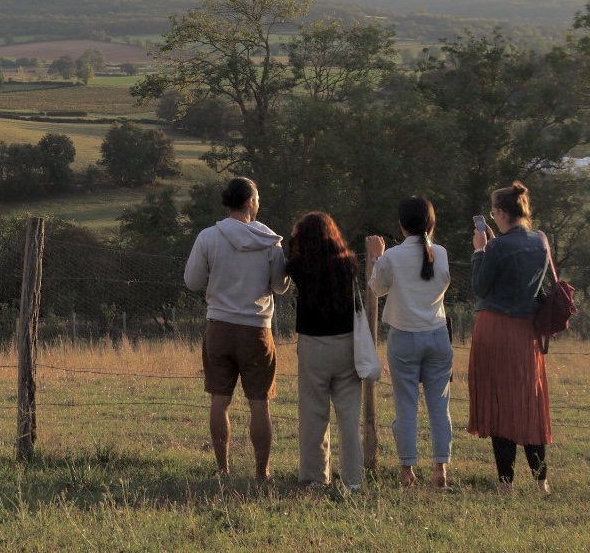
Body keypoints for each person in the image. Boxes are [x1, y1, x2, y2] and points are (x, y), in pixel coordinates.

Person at [184, 177, 290, 481]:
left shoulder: (208, 237)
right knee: (259, 401)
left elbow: (192, 281)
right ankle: (262, 472)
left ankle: (223, 469)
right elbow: (280, 287)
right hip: (256, 329)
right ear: (251, 202)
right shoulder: (271, 242)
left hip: (219, 326)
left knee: (220, 398)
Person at [468, 181, 553, 494]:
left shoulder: (497, 247)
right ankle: (541, 481)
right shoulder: (540, 240)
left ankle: (505, 483)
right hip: (527, 331)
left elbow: (480, 286)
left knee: (499, 404)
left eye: (493, 211)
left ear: (501, 212)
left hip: (496, 328)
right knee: (530, 403)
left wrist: (480, 250)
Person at [366, 196, 453, 489]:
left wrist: (378, 257)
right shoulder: (440, 253)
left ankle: (407, 471)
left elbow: (377, 289)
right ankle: (440, 467)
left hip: (404, 337)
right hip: (438, 335)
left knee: (406, 405)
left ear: (401, 225)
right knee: (439, 406)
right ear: (431, 223)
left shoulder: (392, 256)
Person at [286, 212, 362, 490]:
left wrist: (295, 237)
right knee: (349, 416)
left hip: (313, 344)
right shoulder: (349, 263)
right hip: (347, 343)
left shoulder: (299, 267)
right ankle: (353, 479)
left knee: (313, 413)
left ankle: (315, 477)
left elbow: (289, 256)